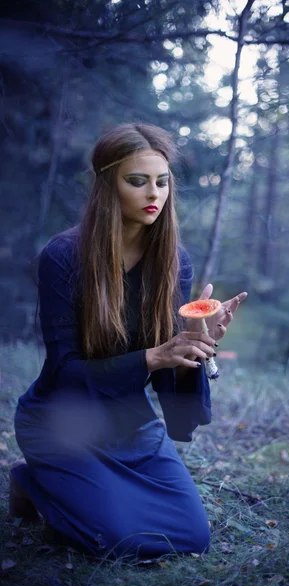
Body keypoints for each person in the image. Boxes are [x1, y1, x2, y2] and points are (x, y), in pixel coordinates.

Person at [10, 123, 247, 560]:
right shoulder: (63, 257)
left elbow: (169, 388)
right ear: (107, 185)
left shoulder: (175, 263)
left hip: (129, 423)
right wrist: (155, 355)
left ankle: (77, 489)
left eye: (162, 182)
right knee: (119, 541)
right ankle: (32, 479)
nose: (153, 194)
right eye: (136, 181)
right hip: (61, 421)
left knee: (191, 538)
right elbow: (65, 372)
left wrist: (193, 348)